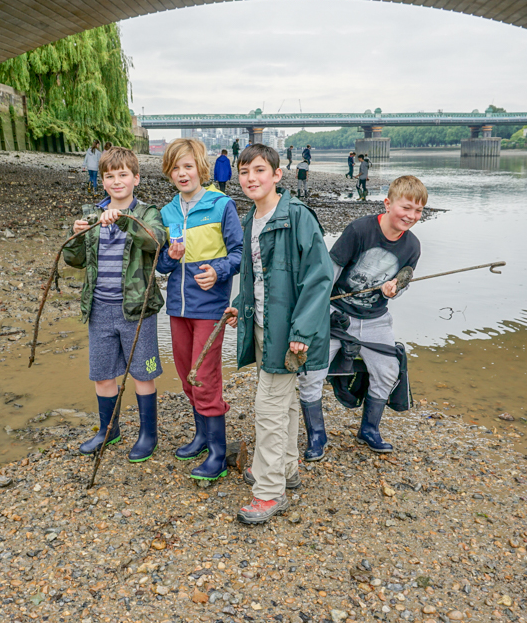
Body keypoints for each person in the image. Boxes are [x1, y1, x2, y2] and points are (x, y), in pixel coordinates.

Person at [224, 144, 332, 524]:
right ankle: (286, 468)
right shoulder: (252, 215)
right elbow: (256, 274)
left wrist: (301, 330)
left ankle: (269, 492)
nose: (250, 178)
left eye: (258, 170)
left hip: (288, 331)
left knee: (267, 409)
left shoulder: (298, 217)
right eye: (244, 172)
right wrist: (240, 301)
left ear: (276, 174)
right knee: (283, 403)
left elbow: (320, 279)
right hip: (261, 325)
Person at [297, 175, 426, 462]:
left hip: (376, 318)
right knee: (310, 373)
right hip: (336, 314)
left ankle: (369, 429)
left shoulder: (413, 247)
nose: (411, 216)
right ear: (388, 203)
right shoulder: (359, 230)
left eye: (418, 211)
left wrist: (394, 290)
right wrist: (314, 316)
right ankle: (317, 436)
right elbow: (327, 275)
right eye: (406, 208)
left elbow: (402, 283)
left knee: (389, 370)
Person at [64, 146, 168, 463]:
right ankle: (109, 429)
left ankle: (148, 434)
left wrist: (123, 221)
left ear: (135, 178)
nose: (116, 181)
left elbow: (155, 241)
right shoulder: (91, 214)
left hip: (137, 310)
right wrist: (76, 235)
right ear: (104, 181)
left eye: (123, 175)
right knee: (104, 375)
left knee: (142, 373)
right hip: (99, 309)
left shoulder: (148, 212)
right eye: (110, 176)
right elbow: (75, 261)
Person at [156, 138, 243, 481]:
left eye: (188, 166)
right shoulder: (167, 212)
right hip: (177, 308)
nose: (182, 173)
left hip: (211, 308)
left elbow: (238, 254)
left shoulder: (222, 205)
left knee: (205, 378)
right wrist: (169, 258)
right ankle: (202, 438)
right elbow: (162, 266)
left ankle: (219, 454)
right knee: (186, 377)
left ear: (201, 169)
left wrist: (218, 272)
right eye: (176, 167)